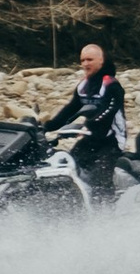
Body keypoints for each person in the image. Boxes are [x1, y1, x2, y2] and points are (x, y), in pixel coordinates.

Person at [44, 41, 128, 196]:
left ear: (101, 61)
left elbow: (108, 113)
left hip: (112, 140)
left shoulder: (112, 85)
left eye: (90, 60)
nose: (85, 64)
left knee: (100, 178)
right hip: (90, 137)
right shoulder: (83, 85)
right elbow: (70, 110)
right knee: (68, 168)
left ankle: (106, 212)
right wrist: (47, 127)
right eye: (82, 60)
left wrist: (88, 126)